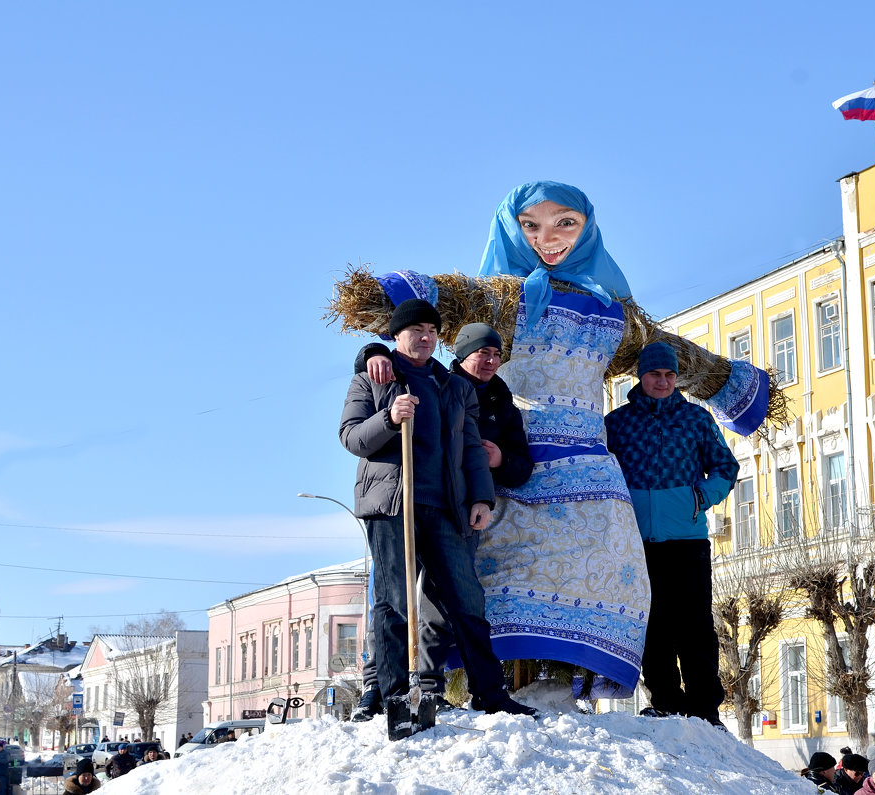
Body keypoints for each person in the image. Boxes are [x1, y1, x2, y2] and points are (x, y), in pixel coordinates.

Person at [329, 181, 775, 691]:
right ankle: (451, 682)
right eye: (530, 225)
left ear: (587, 227)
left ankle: (568, 682)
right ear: (510, 228)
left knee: (610, 569)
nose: (550, 238)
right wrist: (376, 338)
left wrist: (729, 386)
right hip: (506, 454)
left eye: (566, 222)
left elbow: (667, 353)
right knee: (480, 577)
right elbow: (432, 310)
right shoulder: (500, 300)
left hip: (588, 469)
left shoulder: (615, 312)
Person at [339, 298, 535, 730]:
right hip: (393, 506)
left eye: (432, 330)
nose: (425, 337)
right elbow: (352, 437)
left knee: (467, 599)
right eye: (416, 330)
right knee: (395, 602)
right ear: (396, 335)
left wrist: (481, 499)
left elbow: (470, 447)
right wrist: (389, 418)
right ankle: (394, 697)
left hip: (445, 507)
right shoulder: (373, 379)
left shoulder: (454, 387)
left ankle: (490, 693)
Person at [605, 341, 738, 725]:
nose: (662, 381)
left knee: (695, 625)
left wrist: (699, 497)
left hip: (688, 539)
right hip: (636, 541)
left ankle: (704, 707)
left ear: (676, 379)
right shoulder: (617, 423)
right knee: (652, 624)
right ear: (641, 377)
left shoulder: (696, 420)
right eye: (654, 374)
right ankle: (665, 699)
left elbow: (726, 469)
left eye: (668, 375)